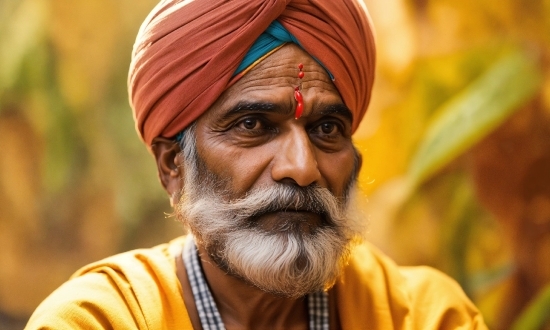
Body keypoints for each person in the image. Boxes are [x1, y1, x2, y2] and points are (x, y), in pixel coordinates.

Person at [26, 0, 487, 329]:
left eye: (327, 129)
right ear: (173, 166)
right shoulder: (96, 321)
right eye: (253, 124)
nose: (302, 168)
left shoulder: (427, 317)